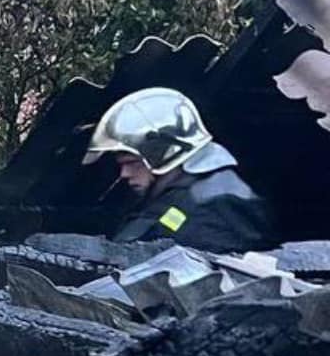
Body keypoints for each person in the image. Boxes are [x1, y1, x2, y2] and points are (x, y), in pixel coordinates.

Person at [84, 87, 275, 253]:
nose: (124, 174)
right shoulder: (188, 193)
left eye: (132, 163)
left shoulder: (212, 203)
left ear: (162, 153)